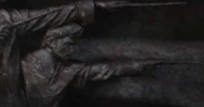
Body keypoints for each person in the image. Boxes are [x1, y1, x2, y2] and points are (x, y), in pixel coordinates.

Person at [21, 24, 151, 107]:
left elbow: (100, 70)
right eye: (68, 44)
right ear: (52, 42)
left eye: (73, 46)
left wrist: (133, 66)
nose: (72, 50)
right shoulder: (30, 63)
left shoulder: (65, 69)